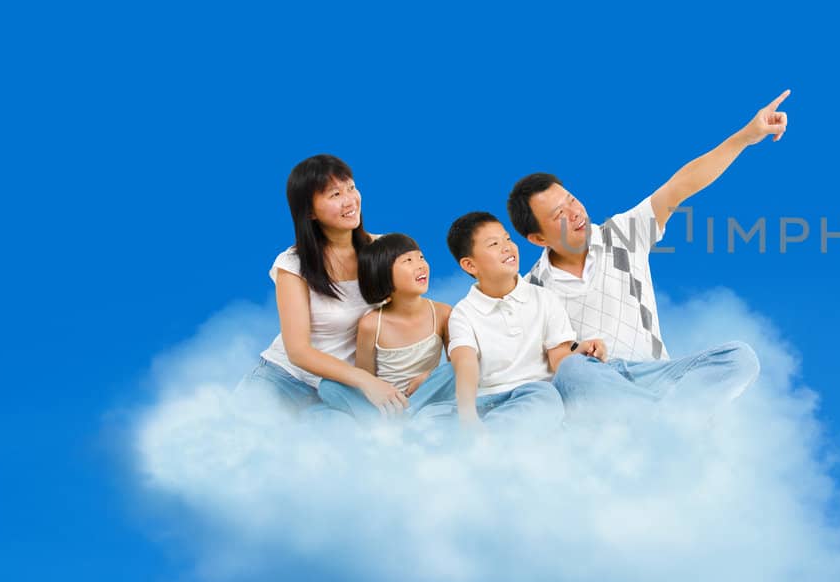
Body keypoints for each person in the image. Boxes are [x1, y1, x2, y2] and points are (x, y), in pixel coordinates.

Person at [508, 90, 790, 407]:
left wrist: (745, 137)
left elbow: (680, 186)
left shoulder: (621, 234)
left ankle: (660, 416)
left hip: (657, 376)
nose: (575, 213)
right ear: (537, 238)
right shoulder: (529, 291)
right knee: (573, 372)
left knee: (740, 357)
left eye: (572, 200)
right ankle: (665, 417)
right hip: (597, 385)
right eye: (559, 214)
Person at [238, 154, 409, 415]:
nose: (350, 200)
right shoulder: (293, 265)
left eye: (351, 188)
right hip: (283, 380)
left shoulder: (384, 251)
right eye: (335, 194)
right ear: (309, 211)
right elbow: (299, 352)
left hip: (340, 390)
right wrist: (366, 381)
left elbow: (409, 315)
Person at [443, 211, 606, 428]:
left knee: (567, 384)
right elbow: (465, 364)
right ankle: (485, 436)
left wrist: (582, 350)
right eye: (493, 244)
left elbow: (558, 358)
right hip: (492, 400)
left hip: (542, 397)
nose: (507, 247)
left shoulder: (544, 298)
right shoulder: (464, 313)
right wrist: (468, 417)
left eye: (508, 239)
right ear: (470, 265)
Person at [314, 233, 456, 422]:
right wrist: (379, 393)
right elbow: (365, 378)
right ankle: (400, 418)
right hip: (385, 404)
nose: (420, 264)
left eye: (421, 257)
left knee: (458, 368)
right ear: (384, 274)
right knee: (328, 385)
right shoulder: (371, 324)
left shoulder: (443, 313)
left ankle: (400, 417)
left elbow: (456, 362)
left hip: (427, 394)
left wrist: (428, 377)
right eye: (408, 260)